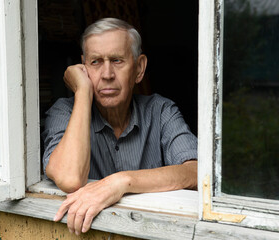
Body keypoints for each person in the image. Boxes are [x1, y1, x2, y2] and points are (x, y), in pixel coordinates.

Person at [42, 18, 197, 235]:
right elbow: (70, 179)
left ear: (139, 68)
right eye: (95, 62)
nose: (106, 74)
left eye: (117, 60)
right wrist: (83, 92)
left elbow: (196, 172)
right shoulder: (64, 112)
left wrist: (121, 182)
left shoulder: (160, 111)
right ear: (83, 68)